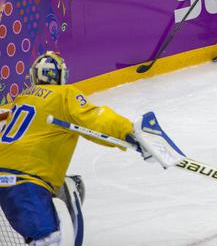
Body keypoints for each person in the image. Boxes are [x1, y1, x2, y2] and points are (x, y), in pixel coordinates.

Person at [0, 51, 184, 245]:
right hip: (27, 182)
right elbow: (95, 119)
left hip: (8, 179)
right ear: (61, 75)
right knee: (51, 240)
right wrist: (129, 132)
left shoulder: (21, 99)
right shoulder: (64, 95)